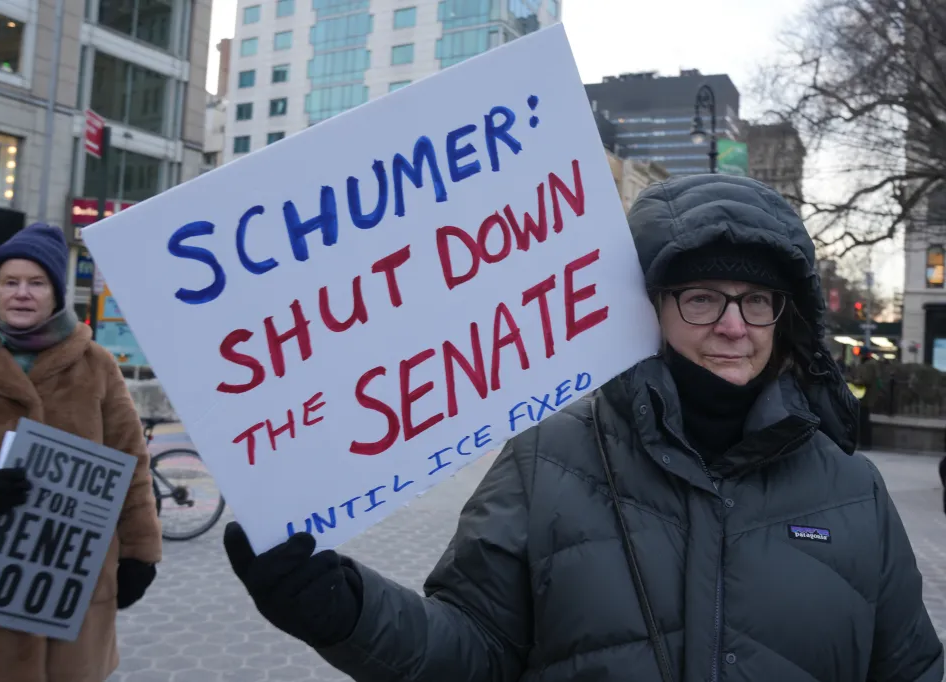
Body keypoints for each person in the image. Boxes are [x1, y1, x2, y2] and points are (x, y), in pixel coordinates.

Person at [223, 175, 944, 682]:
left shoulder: (854, 492)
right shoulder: (548, 459)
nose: (733, 325)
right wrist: (342, 610)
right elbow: (471, 652)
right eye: (701, 297)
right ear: (646, 306)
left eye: (758, 300)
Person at [0, 223, 163, 682]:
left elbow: (131, 463)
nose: (22, 294)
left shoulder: (97, 365)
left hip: (70, 591)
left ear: (56, 293)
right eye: (10, 282)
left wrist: (139, 553)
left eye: (36, 283)